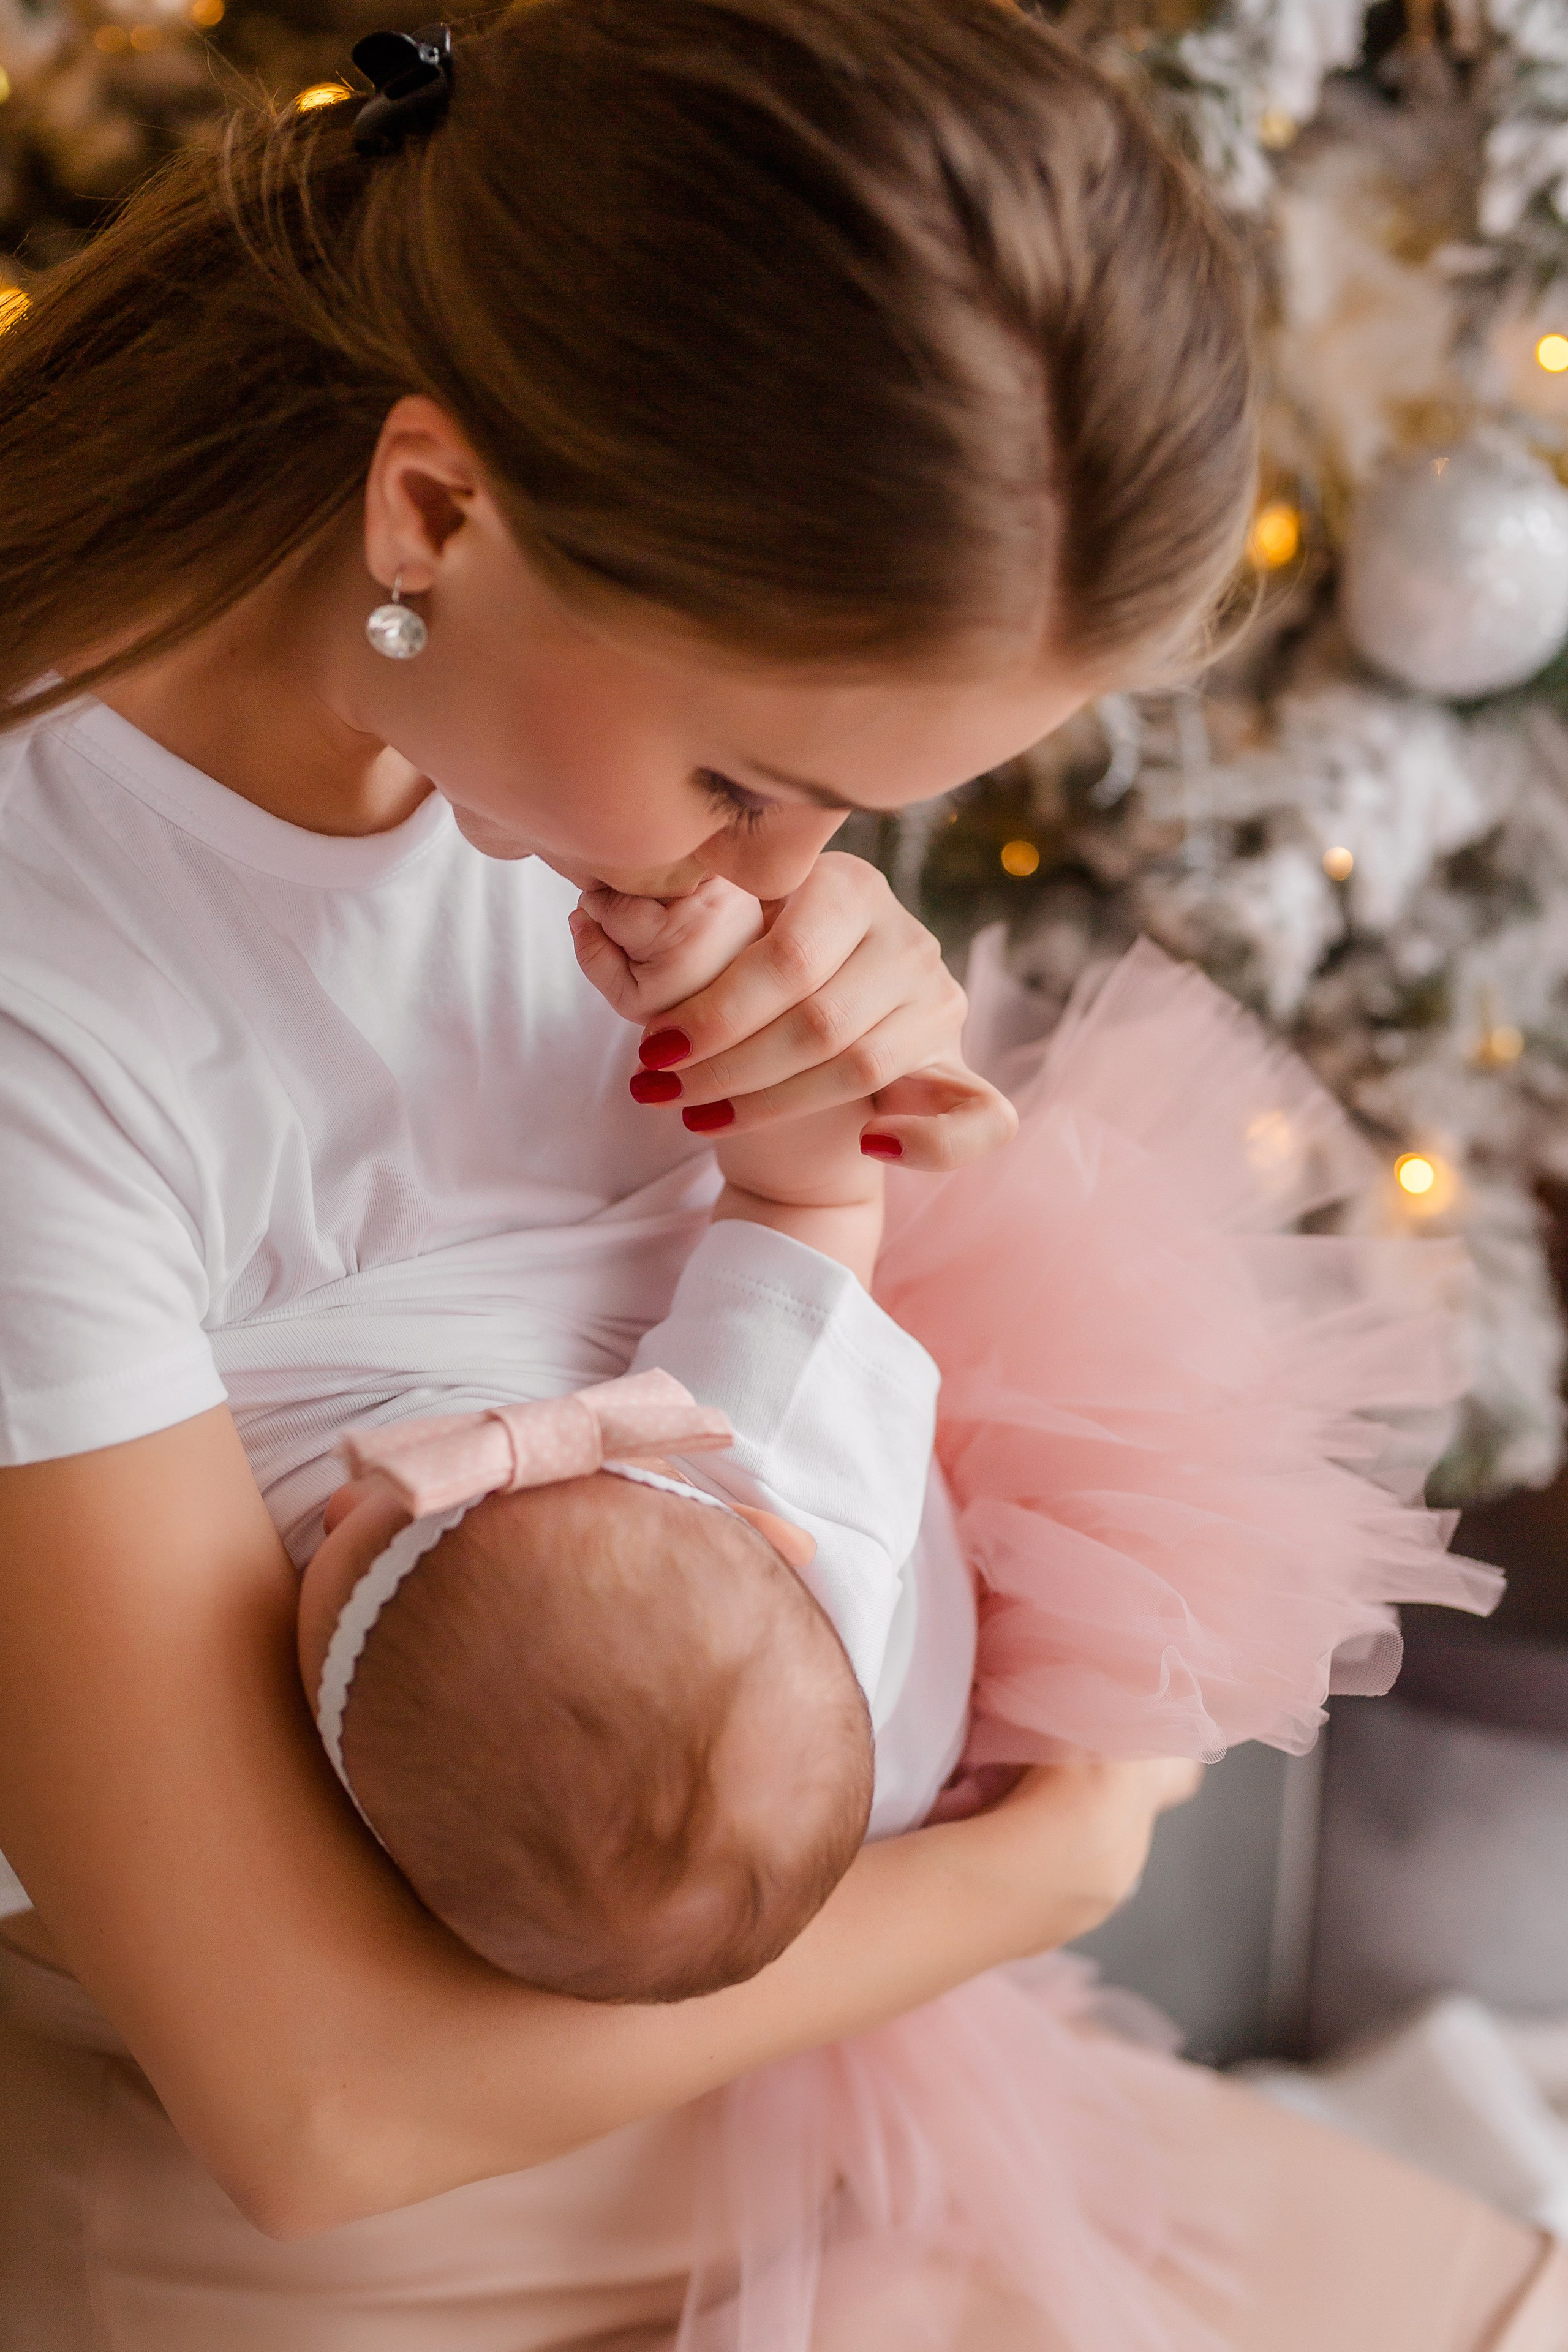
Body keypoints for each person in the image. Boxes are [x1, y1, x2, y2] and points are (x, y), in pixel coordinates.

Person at [0, 1, 1559, 2345]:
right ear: (430, 511)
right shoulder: (52, 1003)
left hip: (789, 2071)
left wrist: (849, 1104)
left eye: (868, 801)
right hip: (364, 2215)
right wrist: (1050, 1866)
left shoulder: (524, 737)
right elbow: (315, 2108)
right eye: (754, 776)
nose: (798, 864)